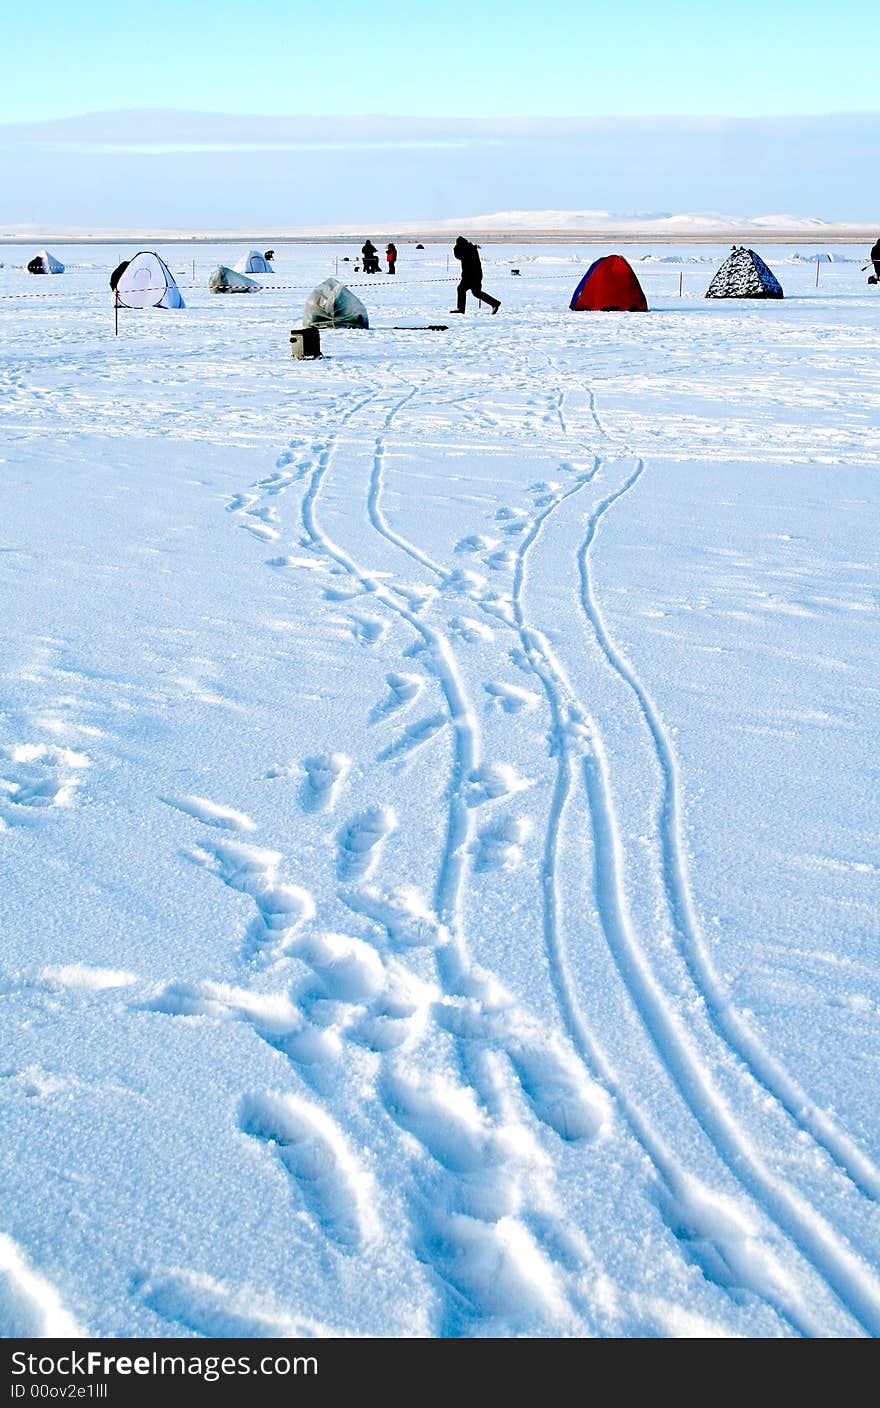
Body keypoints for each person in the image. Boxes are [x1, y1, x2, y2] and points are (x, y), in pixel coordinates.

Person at [450, 236, 500, 314]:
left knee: (462, 289)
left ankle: (461, 309)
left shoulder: (467, 250)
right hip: (474, 275)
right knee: (476, 292)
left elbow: (458, 256)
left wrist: (455, 248)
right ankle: (495, 303)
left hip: (470, 276)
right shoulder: (470, 248)